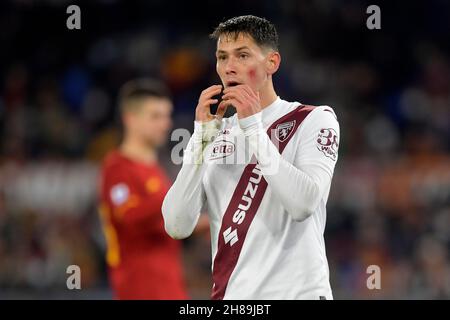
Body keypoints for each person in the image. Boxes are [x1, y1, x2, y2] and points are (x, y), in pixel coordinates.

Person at [162, 15, 340, 300]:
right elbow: (176, 225)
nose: (229, 67)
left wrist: (254, 129)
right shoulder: (215, 134)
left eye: (242, 55)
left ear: (272, 63)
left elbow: (303, 204)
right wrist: (200, 139)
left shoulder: (313, 119)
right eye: (222, 57)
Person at [98, 78, 188, 299]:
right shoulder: (117, 168)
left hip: (169, 288)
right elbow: (129, 217)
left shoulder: (155, 169)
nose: (166, 124)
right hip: (140, 289)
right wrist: (178, 192)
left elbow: (164, 223)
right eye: (156, 116)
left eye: (167, 116)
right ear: (130, 119)